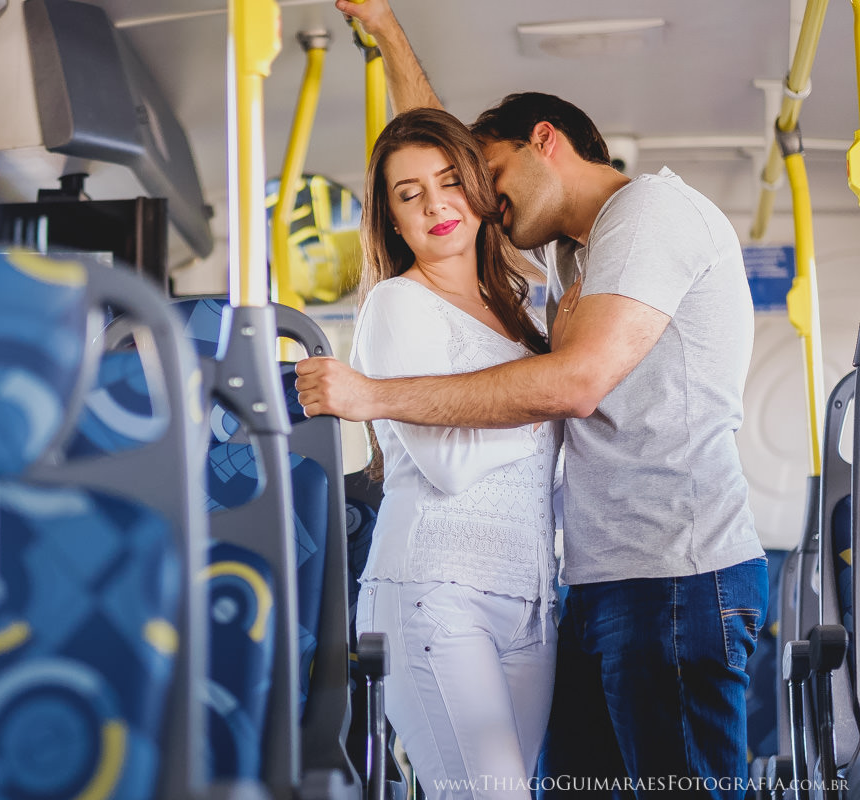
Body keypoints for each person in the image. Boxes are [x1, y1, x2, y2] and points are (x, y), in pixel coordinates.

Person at [296, 2, 769, 798]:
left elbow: (575, 385)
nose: (477, 198)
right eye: (433, 191)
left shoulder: (649, 213)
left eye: (489, 177)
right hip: (598, 584)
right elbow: (434, 160)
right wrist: (387, 31)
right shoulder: (570, 256)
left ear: (544, 140)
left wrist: (374, 396)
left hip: (676, 578)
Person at [352, 105, 559, 800]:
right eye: (410, 195)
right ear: (393, 219)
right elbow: (449, 462)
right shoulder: (397, 304)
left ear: (477, 187)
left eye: (449, 182)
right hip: (434, 590)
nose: (436, 205)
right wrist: (546, 400)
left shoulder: (520, 311)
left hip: (530, 599)